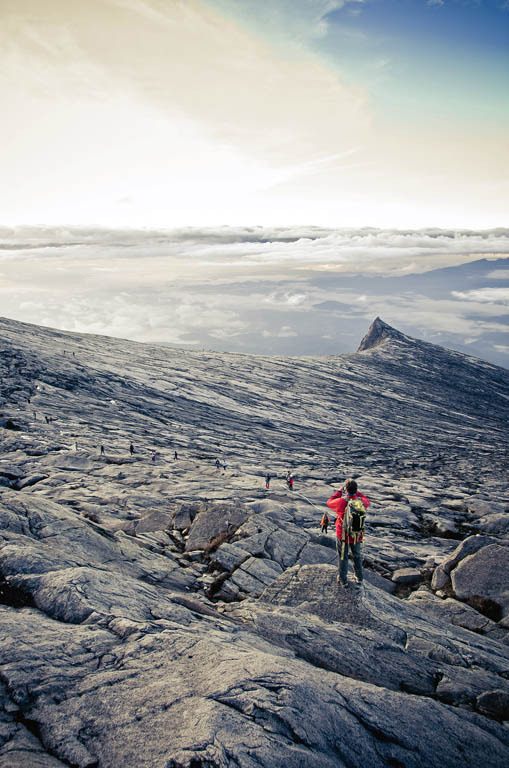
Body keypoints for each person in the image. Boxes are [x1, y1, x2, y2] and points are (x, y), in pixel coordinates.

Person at [327, 478, 370, 588]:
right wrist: (357, 493)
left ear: (346, 490)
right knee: (357, 556)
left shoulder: (342, 502)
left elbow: (329, 502)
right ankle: (359, 578)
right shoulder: (361, 502)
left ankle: (343, 580)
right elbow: (366, 499)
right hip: (357, 535)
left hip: (343, 534)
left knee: (343, 556)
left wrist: (339, 492)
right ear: (356, 489)